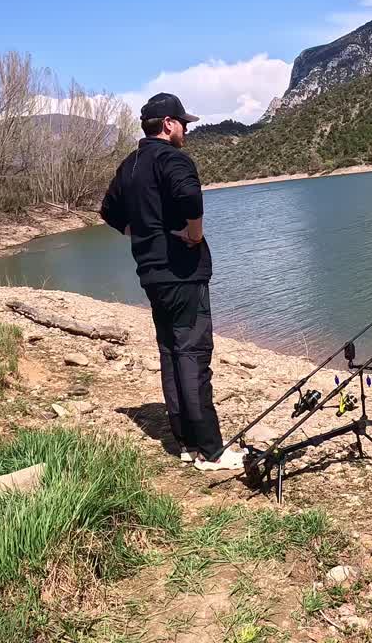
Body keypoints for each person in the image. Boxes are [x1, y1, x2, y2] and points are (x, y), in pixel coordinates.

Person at [100, 92, 243, 471]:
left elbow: (108, 211)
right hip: (182, 273)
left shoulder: (130, 165)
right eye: (184, 124)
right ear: (168, 125)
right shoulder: (172, 159)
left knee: (171, 353)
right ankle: (211, 450)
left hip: (151, 274)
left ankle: (186, 443)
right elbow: (191, 199)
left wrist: (143, 233)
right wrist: (194, 235)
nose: (187, 130)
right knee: (193, 355)